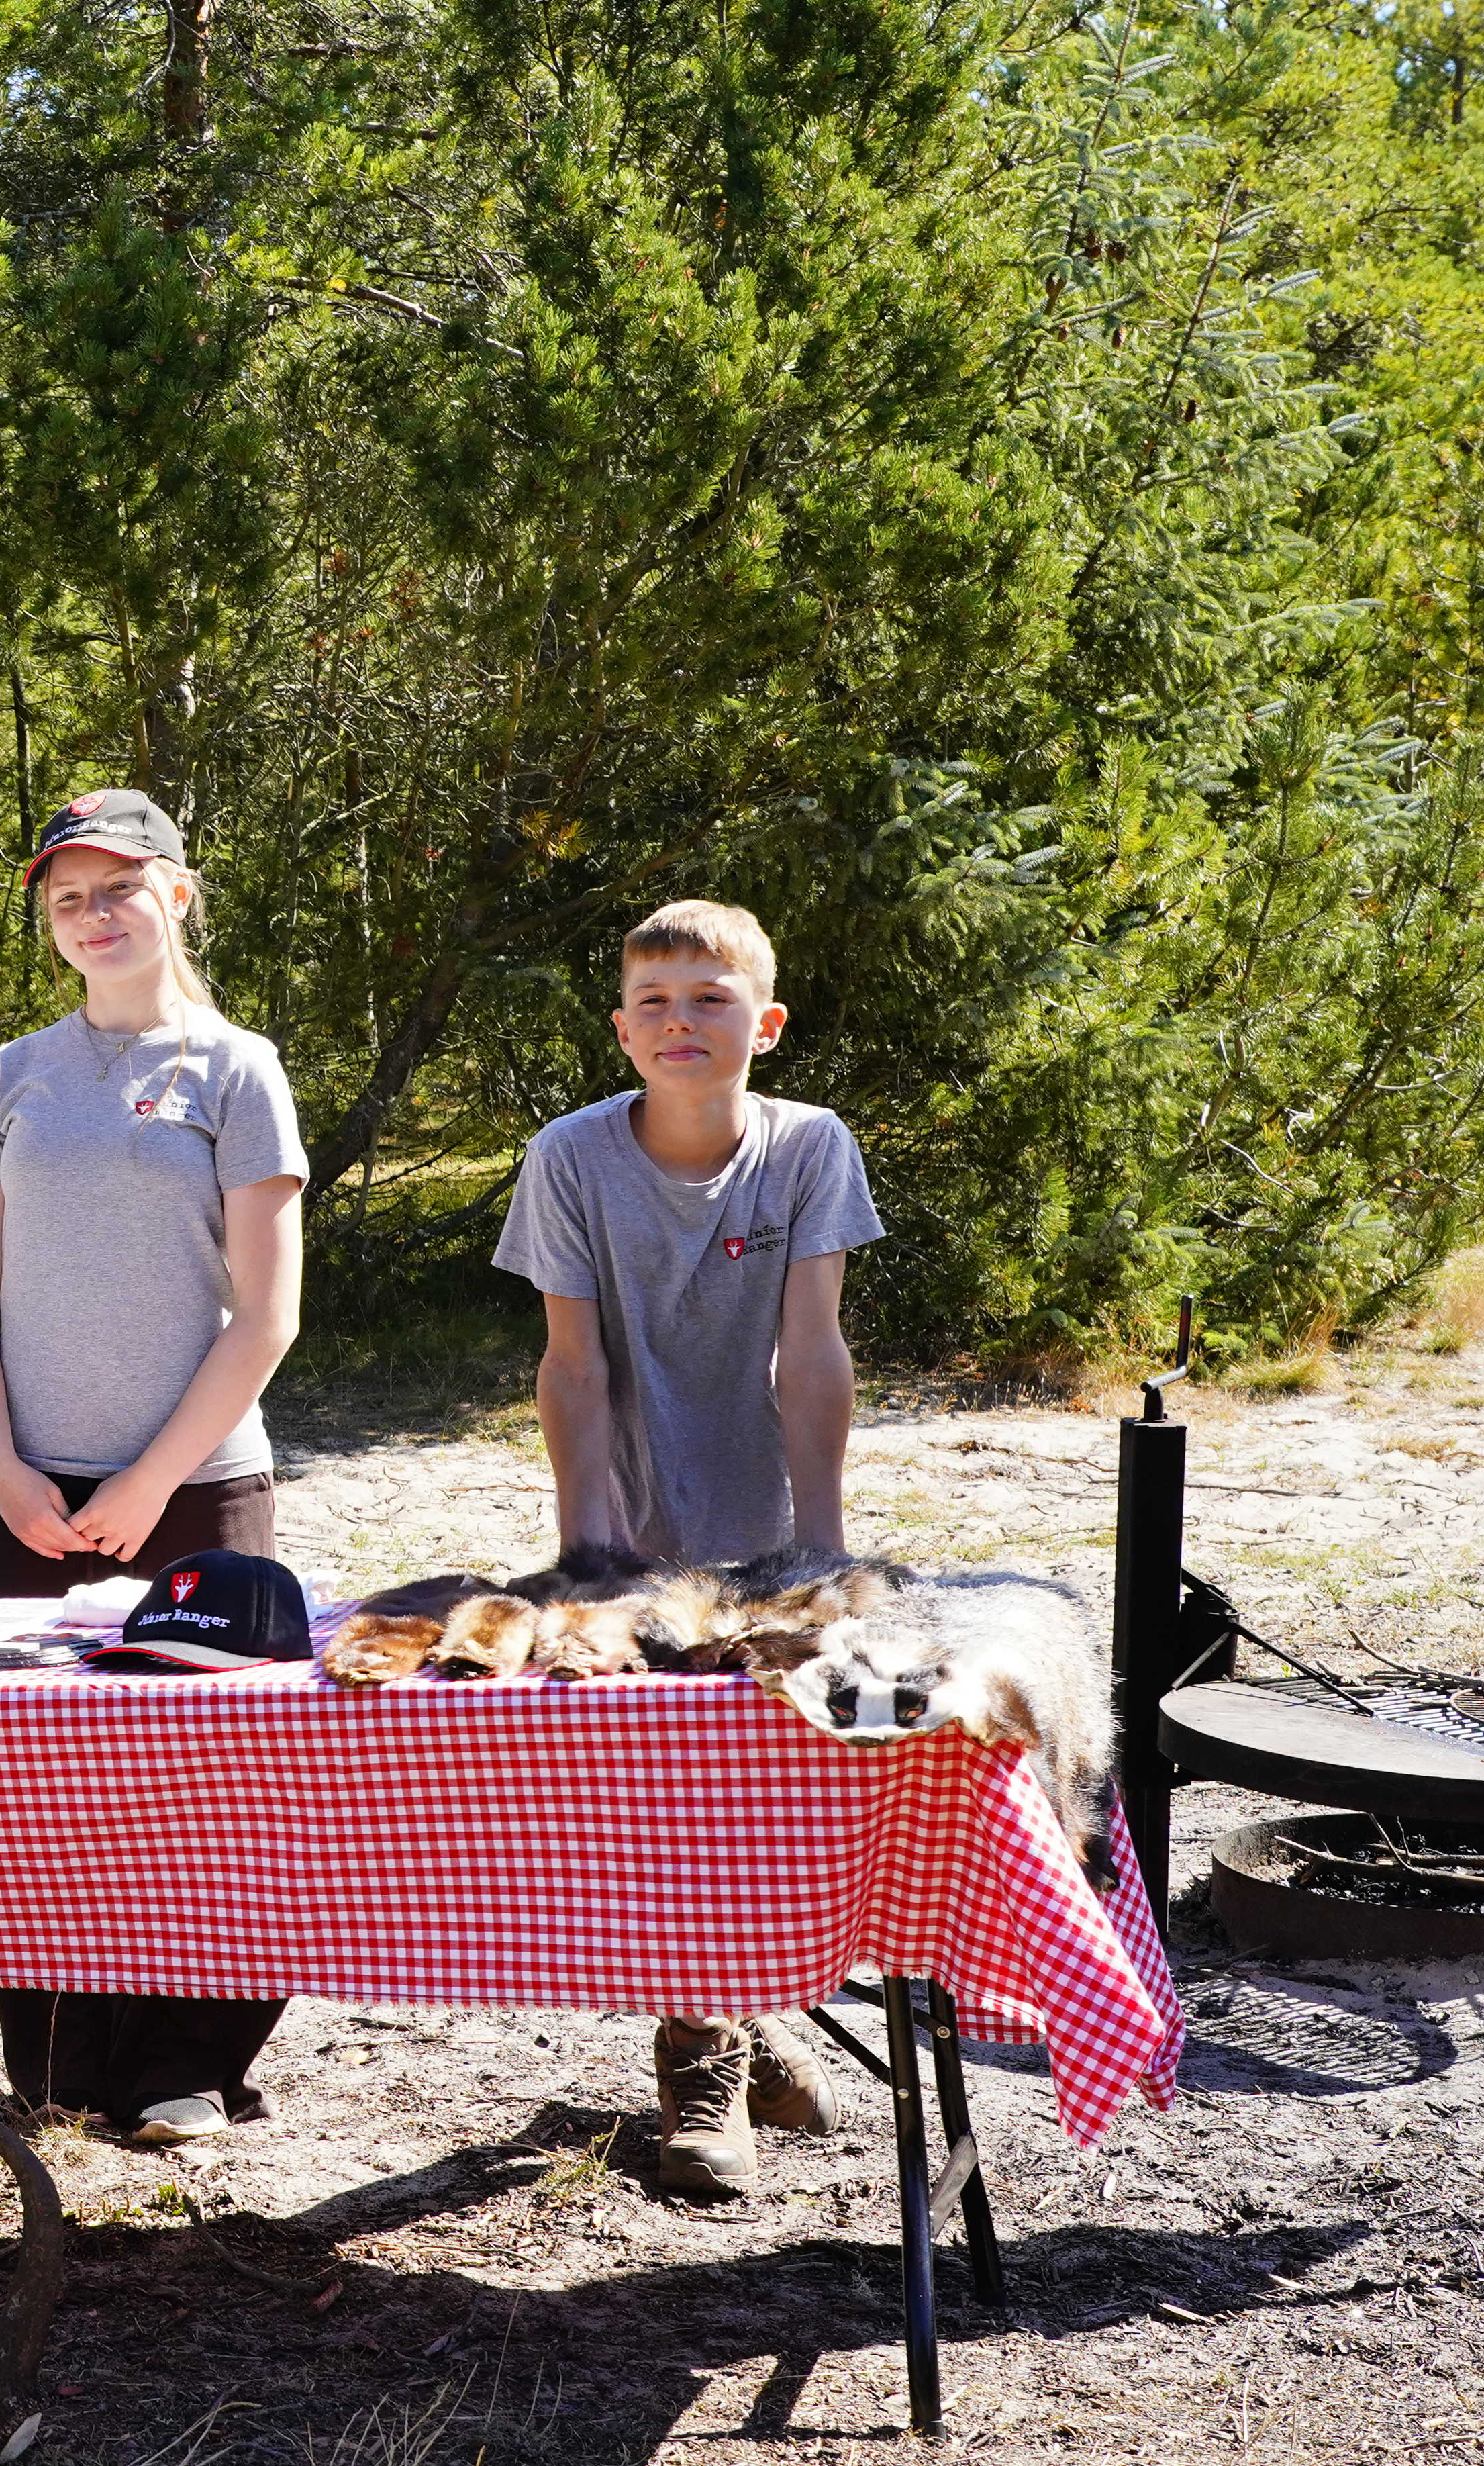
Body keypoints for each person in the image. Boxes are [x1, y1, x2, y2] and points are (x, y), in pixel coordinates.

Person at [493, 897, 885, 2201]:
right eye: (654, 1001)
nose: (681, 1020)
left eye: (710, 998)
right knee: (668, 1800)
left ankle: (745, 2012)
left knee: (768, 1793)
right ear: (621, 1027)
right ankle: (699, 2066)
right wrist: (586, 1539)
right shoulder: (568, 1156)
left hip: (766, 1520)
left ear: (764, 1024)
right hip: (633, 1515)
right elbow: (571, 1358)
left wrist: (817, 1540)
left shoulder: (811, 1147)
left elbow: (813, 1350)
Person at [0, 787, 307, 2146]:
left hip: (200, 1490)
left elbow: (268, 1311)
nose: (94, 916)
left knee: (221, 1791)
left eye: (118, 887)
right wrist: (4, 1465)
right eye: (66, 897)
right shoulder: (17, 1072)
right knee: (35, 1790)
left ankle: (187, 2064)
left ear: (179, 892)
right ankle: (62, 2065)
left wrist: (151, 1481)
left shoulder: (234, 1068)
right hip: (28, 1494)